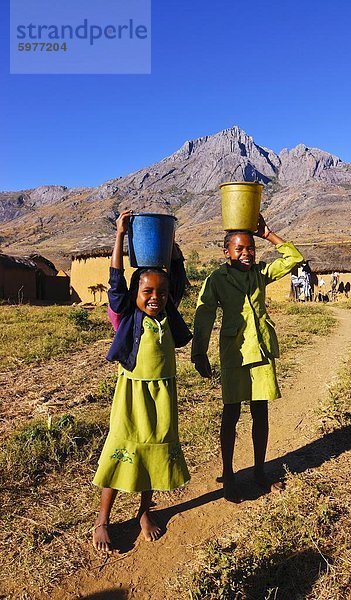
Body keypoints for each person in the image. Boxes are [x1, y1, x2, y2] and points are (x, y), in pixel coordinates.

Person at [92, 210, 192, 552]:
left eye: (161, 293)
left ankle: (144, 512)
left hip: (163, 394)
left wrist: (172, 248)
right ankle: (102, 519)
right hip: (132, 395)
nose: (155, 297)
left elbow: (176, 280)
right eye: (147, 291)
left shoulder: (168, 312)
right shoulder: (126, 315)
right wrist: (120, 235)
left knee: (152, 453)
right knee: (121, 449)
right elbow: (117, 280)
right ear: (136, 293)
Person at [191, 214, 303, 502]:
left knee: (260, 413)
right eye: (239, 248)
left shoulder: (260, 274)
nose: (246, 253)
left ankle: (259, 472)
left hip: (261, 349)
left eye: (250, 248)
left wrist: (268, 234)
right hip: (235, 352)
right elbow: (204, 315)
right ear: (226, 251)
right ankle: (228, 475)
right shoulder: (217, 279)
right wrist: (199, 351)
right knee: (230, 415)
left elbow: (293, 258)